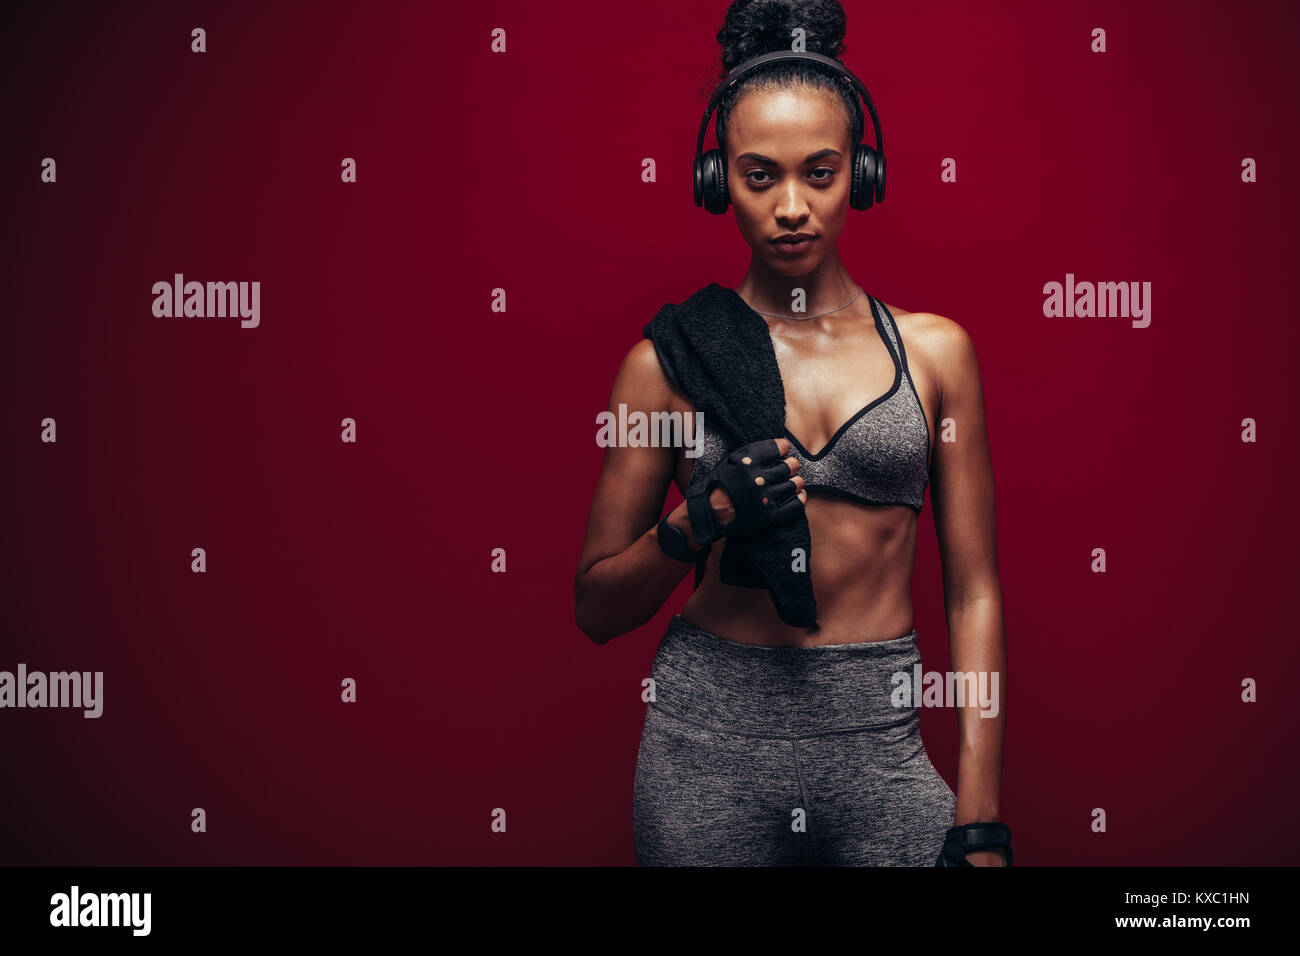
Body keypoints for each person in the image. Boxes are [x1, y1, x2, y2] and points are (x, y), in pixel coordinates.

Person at [573, 0, 1009, 866]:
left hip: (877, 740)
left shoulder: (936, 354)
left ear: (864, 173)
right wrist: (694, 524)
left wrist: (982, 818)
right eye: (759, 176)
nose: (792, 208)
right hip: (708, 741)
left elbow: (975, 593)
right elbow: (595, 606)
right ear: (716, 182)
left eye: (820, 172)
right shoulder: (666, 364)